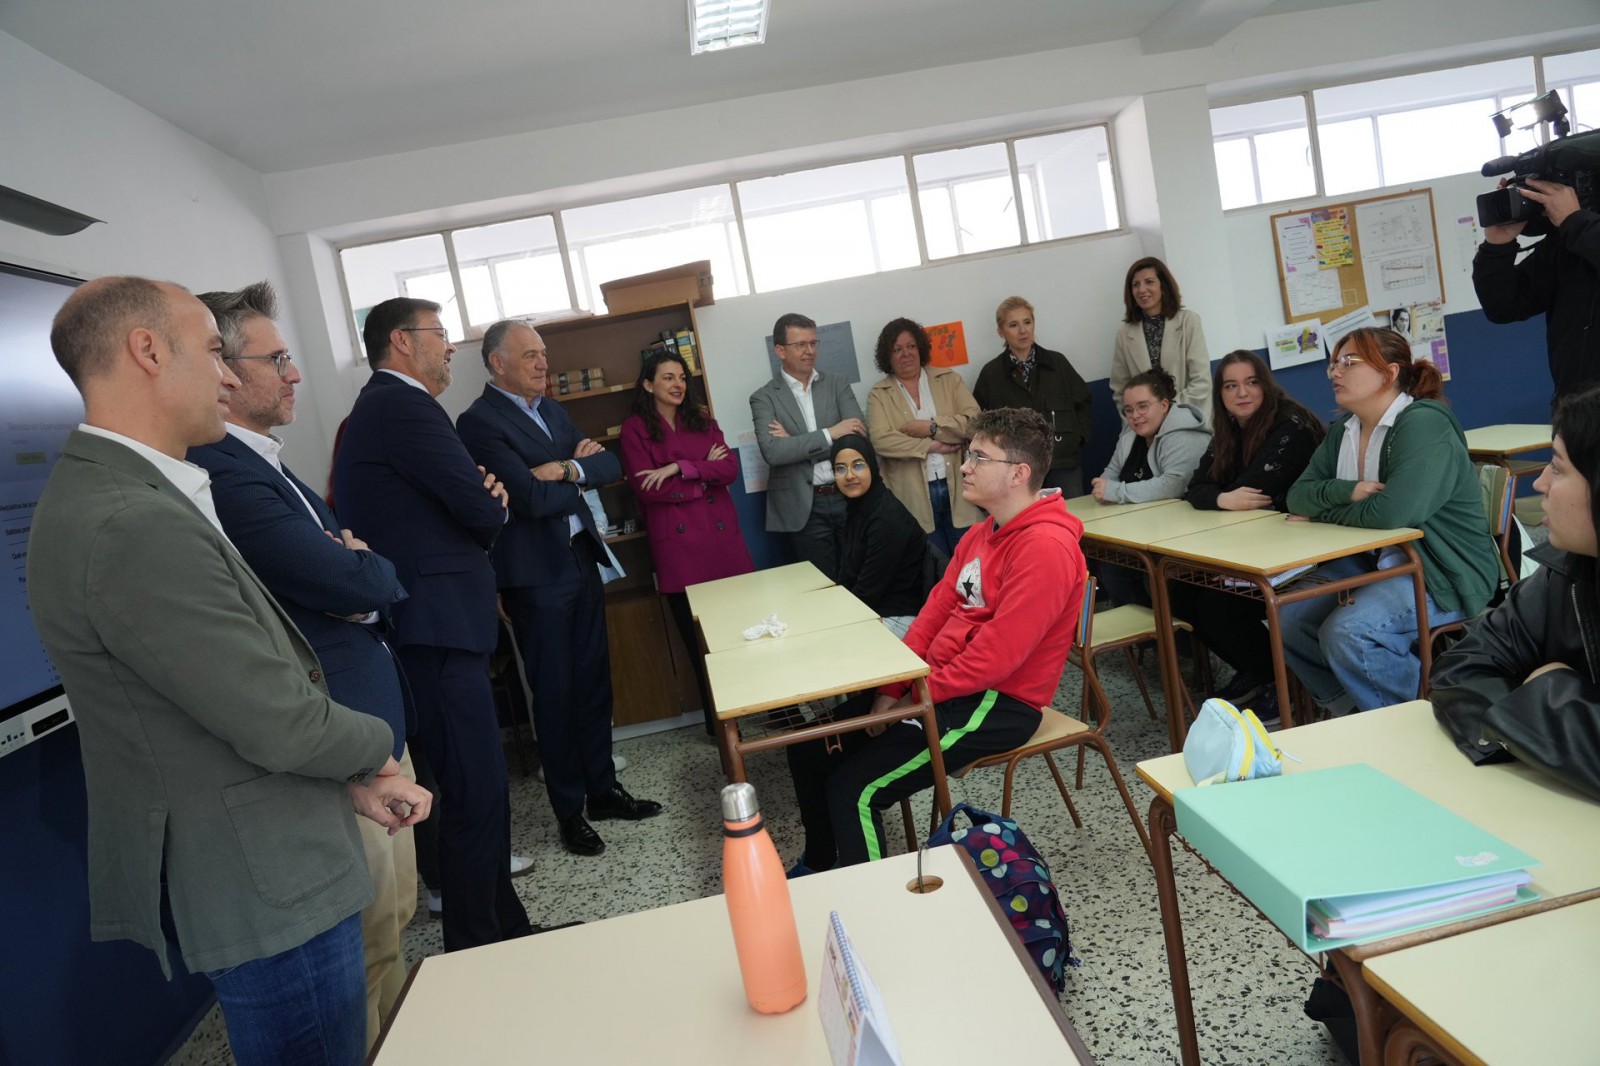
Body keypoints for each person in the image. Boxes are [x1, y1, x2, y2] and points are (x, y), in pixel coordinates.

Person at [27, 276, 430, 1066]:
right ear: (148, 351)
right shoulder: (129, 519)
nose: (225, 376)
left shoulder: (135, 492)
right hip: (264, 874)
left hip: (275, 839)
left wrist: (350, 776)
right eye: (214, 352)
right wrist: (376, 752)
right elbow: (271, 712)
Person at [186, 281, 425, 1049]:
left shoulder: (268, 465)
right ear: (222, 372)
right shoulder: (224, 475)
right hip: (338, 754)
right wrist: (357, 572)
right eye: (277, 359)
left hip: (372, 738)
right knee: (368, 947)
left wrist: (357, 572)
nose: (295, 374)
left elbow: (355, 577)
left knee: (394, 926)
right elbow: (354, 580)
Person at [784, 408, 1086, 871]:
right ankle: (821, 867)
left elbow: (995, 660)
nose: (964, 466)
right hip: (942, 687)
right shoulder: (982, 533)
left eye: (979, 457)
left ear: (1018, 474)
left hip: (995, 703)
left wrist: (913, 699)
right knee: (809, 750)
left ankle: (871, 904)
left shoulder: (1044, 548)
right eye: (968, 454)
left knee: (855, 790)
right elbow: (933, 615)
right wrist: (892, 690)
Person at [331, 297, 534, 952]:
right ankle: (480, 949)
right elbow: (480, 507)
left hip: (438, 626)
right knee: (473, 793)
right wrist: (490, 502)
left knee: (483, 789)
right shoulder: (403, 406)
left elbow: (461, 501)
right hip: (436, 628)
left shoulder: (388, 409)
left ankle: (509, 932)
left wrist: (481, 499)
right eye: (441, 333)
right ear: (401, 340)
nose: (450, 346)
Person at [458, 320, 662, 858]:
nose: (543, 364)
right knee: (554, 694)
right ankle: (569, 811)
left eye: (543, 353)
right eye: (530, 355)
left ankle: (603, 791)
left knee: (594, 682)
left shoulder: (551, 410)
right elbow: (526, 499)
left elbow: (609, 464)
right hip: (534, 575)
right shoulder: (478, 422)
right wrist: (577, 476)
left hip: (580, 558)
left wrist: (565, 469)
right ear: (497, 362)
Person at [1282, 327, 1501, 714]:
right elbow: (1297, 496)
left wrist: (1326, 510)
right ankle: (1354, 712)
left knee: (1349, 633)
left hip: (1442, 571)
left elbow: (1392, 514)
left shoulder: (1423, 423)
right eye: (1333, 364)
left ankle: (1416, 722)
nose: (1335, 371)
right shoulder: (1342, 432)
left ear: (1389, 372)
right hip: (1376, 562)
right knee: (1289, 619)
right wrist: (1349, 491)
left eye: (1349, 362)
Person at [1432, 384, 1600, 800]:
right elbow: (1458, 671)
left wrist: (1548, 689)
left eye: (1557, 467)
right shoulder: (1563, 575)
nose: (1540, 483)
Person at [1170, 351, 1325, 722]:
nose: (1242, 393)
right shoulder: (1230, 428)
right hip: (1253, 545)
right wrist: (1223, 498)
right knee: (1179, 589)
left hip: (1304, 549)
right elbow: (1196, 487)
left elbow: (1258, 490)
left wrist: (1219, 495)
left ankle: (1285, 682)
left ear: (1266, 385)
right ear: (1220, 394)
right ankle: (1258, 671)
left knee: (1219, 606)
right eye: (1231, 385)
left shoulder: (1291, 423)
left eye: (1251, 382)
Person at [620, 349, 753, 734]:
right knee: (700, 646)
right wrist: (701, 478)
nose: (677, 384)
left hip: (722, 542)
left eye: (682, 377)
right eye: (668, 377)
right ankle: (720, 726)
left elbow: (728, 469)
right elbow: (647, 488)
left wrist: (679, 467)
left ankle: (764, 707)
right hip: (680, 552)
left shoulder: (702, 419)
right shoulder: (634, 429)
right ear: (648, 385)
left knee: (744, 633)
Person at [749, 312, 867, 581]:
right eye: (800, 344)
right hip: (804, 506)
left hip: (848, 494)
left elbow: (857, 439)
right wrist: (831, 433)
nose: (810, 351)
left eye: (813, 343)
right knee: (823, 586)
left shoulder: (837, 384)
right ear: (780, 351)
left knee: (862, 577)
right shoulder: (764, 398)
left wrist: (795, 442)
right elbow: (774, 452)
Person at [1472, 177, 1600, 405]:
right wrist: (1497, 246)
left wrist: (1576, 223)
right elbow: (1504, 306)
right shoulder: (1567, 243)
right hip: (1575, 411)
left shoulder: (1580, 231)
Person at [1090, 369, 1209, 606]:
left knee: (1153, 579)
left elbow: (1173, 485)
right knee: (1113, 568)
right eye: (1129, 410)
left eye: (1143, 406)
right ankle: (1144, 629)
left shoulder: (1184, 435)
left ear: (1164, 405)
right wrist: (1103, 486)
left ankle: (1169, 629)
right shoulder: (1130, 434)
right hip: (1141, 532)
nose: (1135, 416)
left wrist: (1115, 491)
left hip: (1182, 535)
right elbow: (1111, 472)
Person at [864, 317, 980, 555]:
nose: (906, 354)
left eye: (911, 346)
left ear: (920, 348)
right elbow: (881, 441)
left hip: (961, 492)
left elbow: (974, 422)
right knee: (935, 567)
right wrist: (932, 446)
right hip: (912, 498)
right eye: (897, 349)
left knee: (974, 562)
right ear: (888, 356)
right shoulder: (879, 394)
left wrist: (931, 427)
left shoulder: (949, 379)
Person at [972, 296, 1093, 496]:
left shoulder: (1057, 363)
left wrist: (1077, 438)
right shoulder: (991, 374)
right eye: (1013, 325)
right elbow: (982, 424)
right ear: (1001, 332)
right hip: (1019, 469)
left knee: (1070, 513)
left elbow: (1084, 401)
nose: (1023, 330)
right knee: (1029, 516)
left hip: (1063, 462)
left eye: (1027, 322)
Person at [829, 434, 933, 638]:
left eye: (858, 466)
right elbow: (848, 576)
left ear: (872, 466)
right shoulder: (857, 509)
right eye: (840, 469)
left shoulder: (887, 518)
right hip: (873, 608)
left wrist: (837, 620)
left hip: (898, 616)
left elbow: (869, 592)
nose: (849, 475)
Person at [1111, 257, 1211, 419]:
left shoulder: (1189, 321)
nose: (1142, 289)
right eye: (1135, 285)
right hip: (1143, 423)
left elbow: (1201, 381)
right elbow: (1121, 389)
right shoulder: (1123, 334)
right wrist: (1136, 419)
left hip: (1186, 416)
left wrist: (1167, 412)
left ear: (1163, 286)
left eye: (1149, 282)